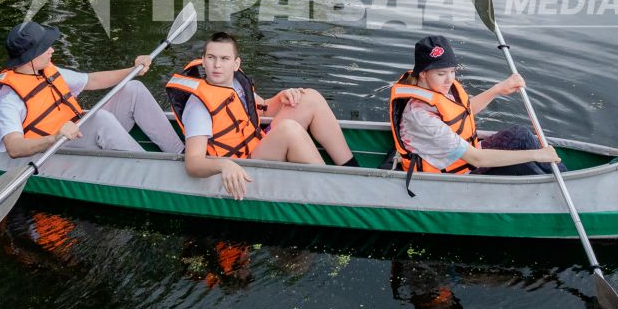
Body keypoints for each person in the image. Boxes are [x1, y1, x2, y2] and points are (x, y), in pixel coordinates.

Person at [166, 31, 355, 199]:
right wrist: (224, 165)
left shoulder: (236, 83)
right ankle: (335, 191)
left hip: (255, 145)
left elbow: (263, 107)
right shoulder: (198, 107)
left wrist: (282, 97)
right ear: (203, 60)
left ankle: (353, 171)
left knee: (309, 97)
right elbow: (193, 163)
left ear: (235, 63)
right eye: (211, 57)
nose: (217, 65)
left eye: (224, 59)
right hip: (242, 163)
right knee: (290, 130)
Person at [0, 22, 184, 158]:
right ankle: (150, 167)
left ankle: (180, 152)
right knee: (101, 119)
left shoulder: (46, 71)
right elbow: (14, 147)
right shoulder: (8, 99)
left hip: (75, 133)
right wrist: (54, 138)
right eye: (46, 47)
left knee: (133, 89)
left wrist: (133, 70)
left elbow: (92, 80)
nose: (52, 49)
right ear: (30, 57)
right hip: (54, 147)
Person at [387, 35, 560, 176]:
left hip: (462, 159)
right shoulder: (420, 116)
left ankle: (562, 176)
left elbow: (462, 113)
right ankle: (559, 183)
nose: (450, 80)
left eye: (452, 71)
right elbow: (477, 159)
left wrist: (498, 89)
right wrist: (538, 155)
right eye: (441, 74)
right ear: (423, 74)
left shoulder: (435, 88)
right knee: (527, 168)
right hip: (452, 178)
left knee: (520, 134)